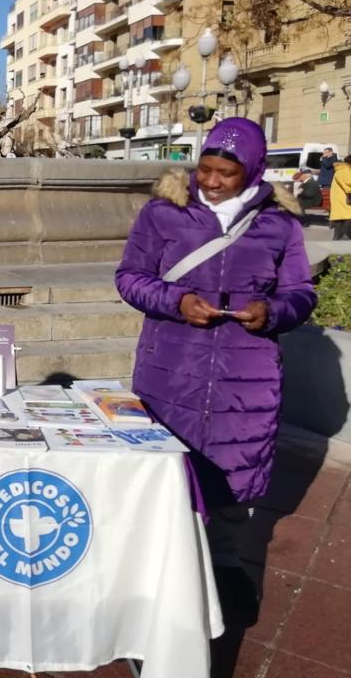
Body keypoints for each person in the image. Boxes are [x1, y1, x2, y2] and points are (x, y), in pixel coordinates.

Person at [115, 118, 316, 581]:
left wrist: (274, 312)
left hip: (247, 376)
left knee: (233, 477)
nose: (211, 182)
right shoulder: (163, 212)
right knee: (168, 475)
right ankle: (161, 576)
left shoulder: (279, 225)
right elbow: (130, 277)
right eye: (204, 169)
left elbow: (301, 292)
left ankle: (224, 569)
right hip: (171, 368)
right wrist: (177, 300)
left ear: (253, 169)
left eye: (226, 174)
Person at [330, 156, 351, 240]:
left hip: (344, 202)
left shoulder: (345, 170)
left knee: (344, 221)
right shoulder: (343, 170)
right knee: (345, 221)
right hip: (344, 202)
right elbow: (349, 183)